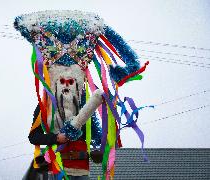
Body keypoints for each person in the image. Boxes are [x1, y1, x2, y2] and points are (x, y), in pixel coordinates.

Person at [14, 10, 148, 179]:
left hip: (81, 170)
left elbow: (97, 135)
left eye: (72, 81)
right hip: (54, 169)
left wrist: (103, 146)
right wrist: (57, 138)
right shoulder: (44, 107)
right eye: (62, 81)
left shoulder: (84, 104)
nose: (67, 84)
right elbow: (33, 137)